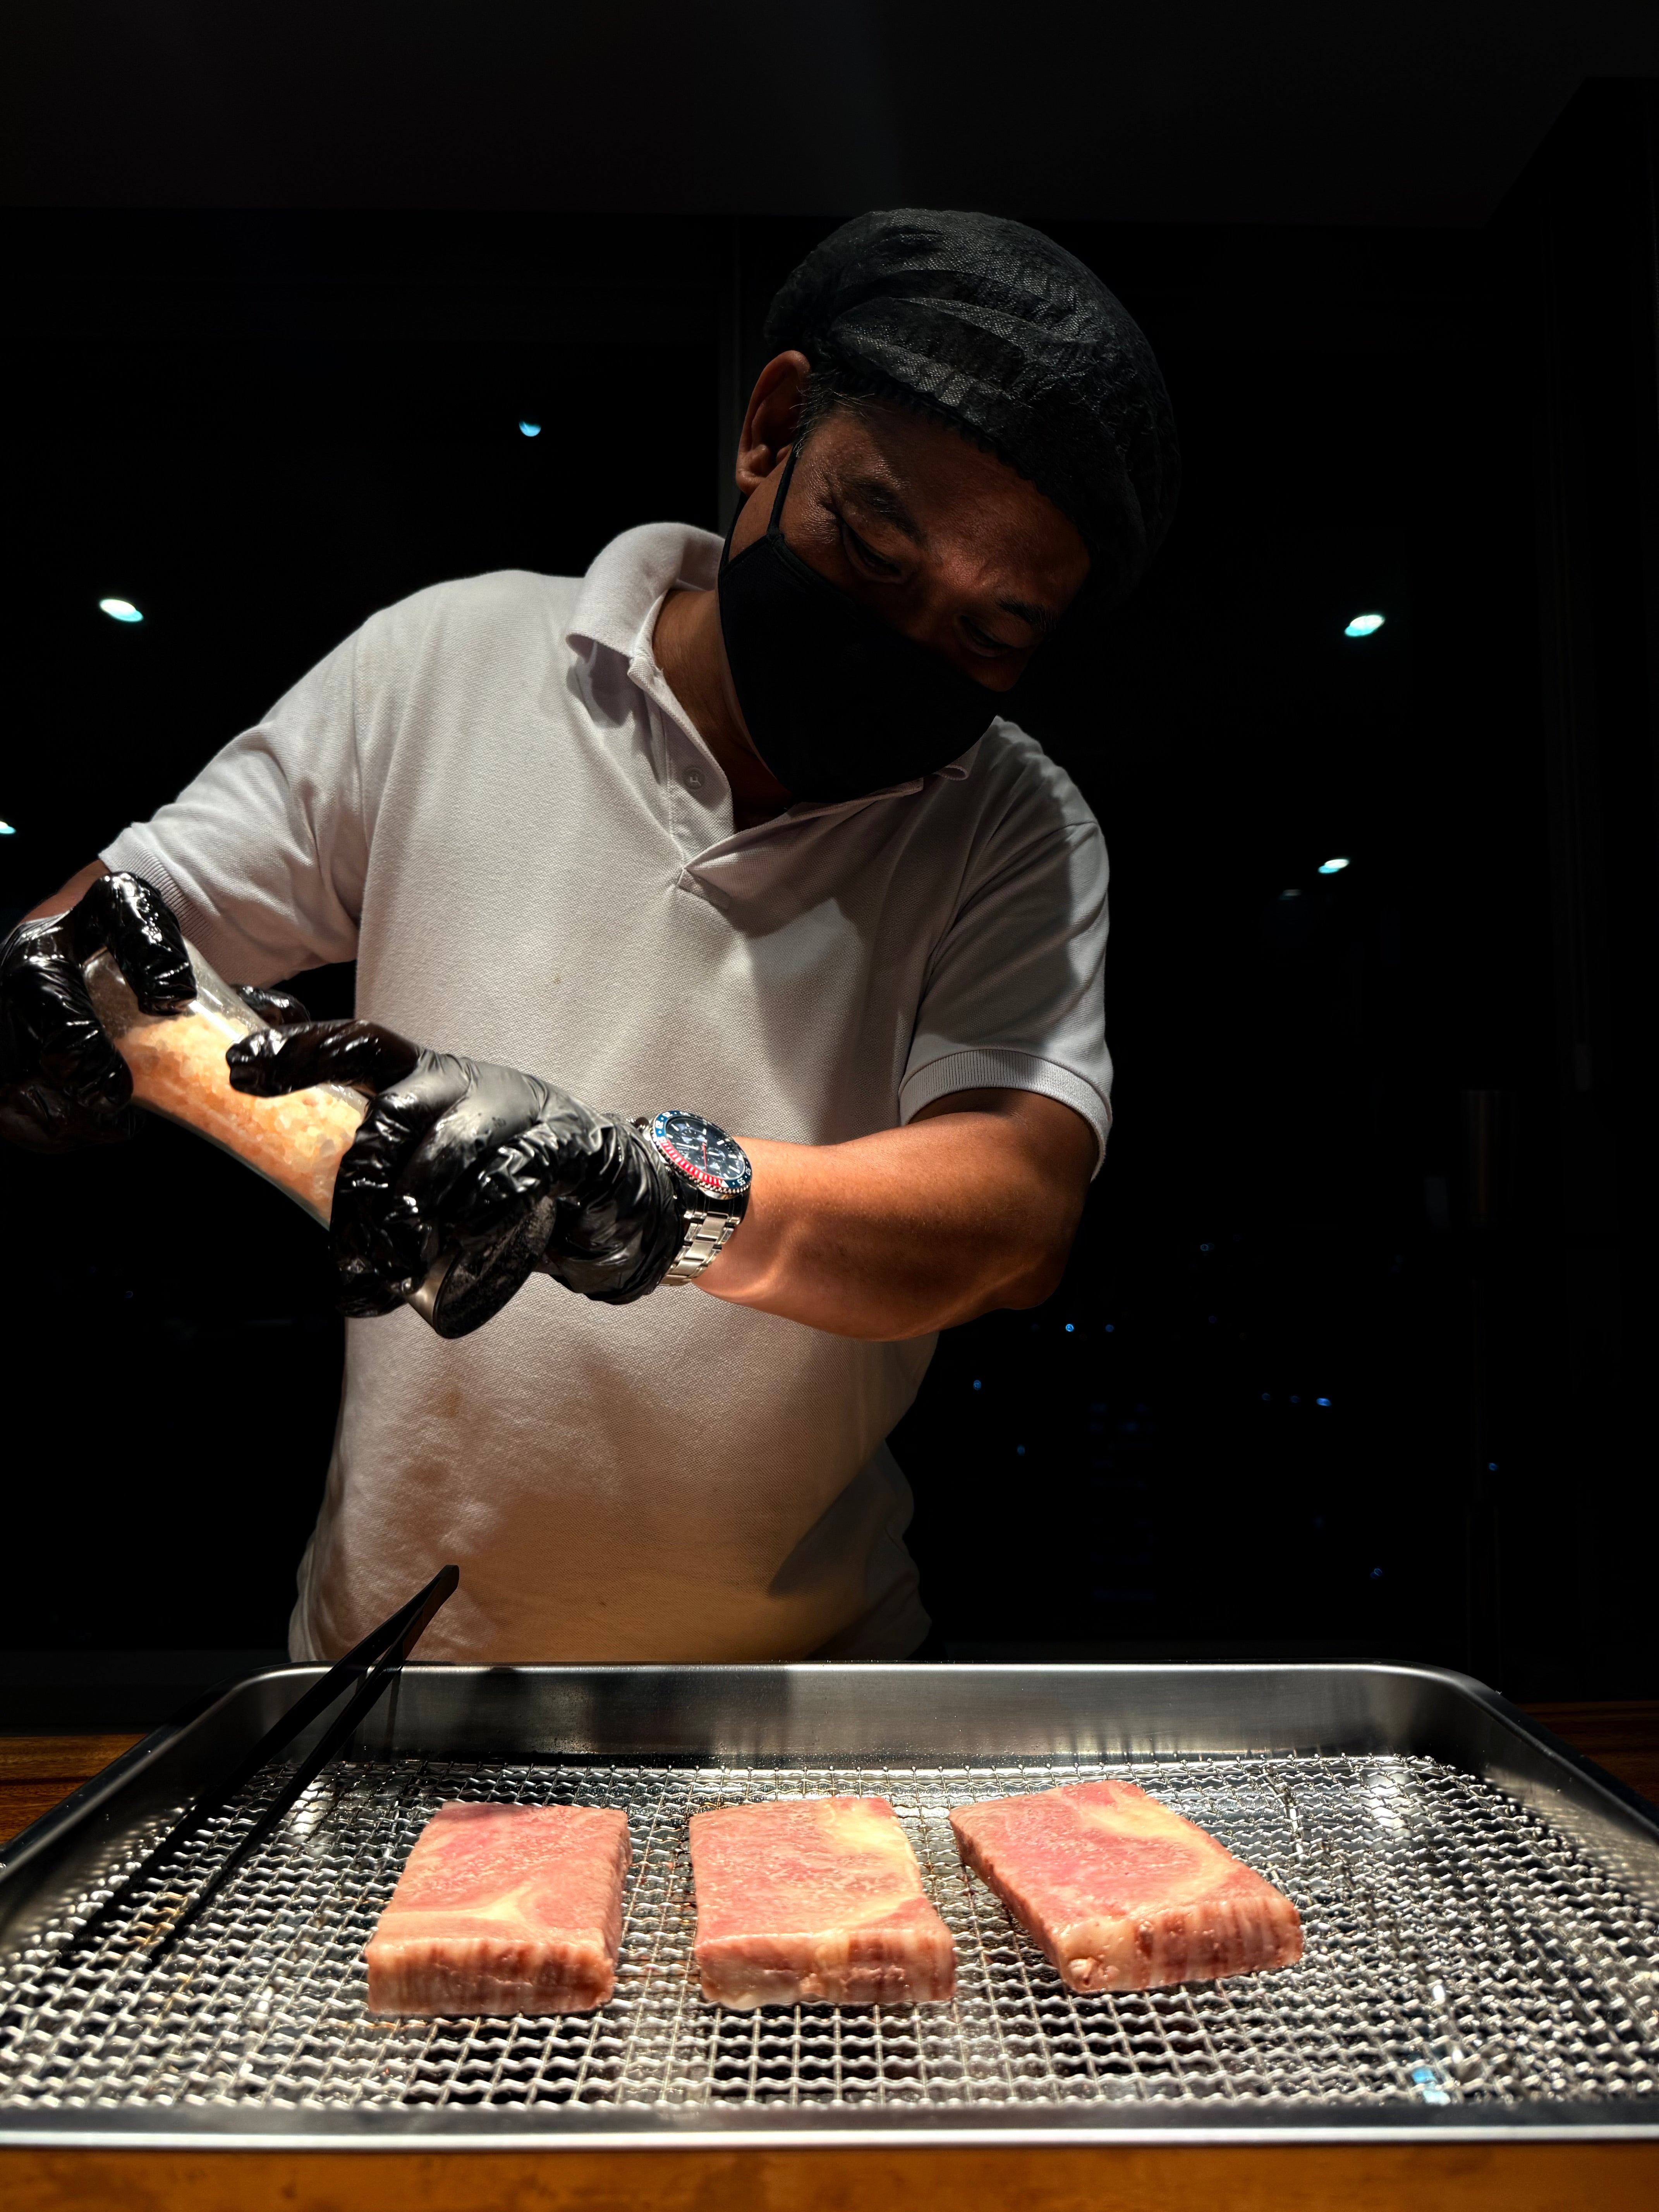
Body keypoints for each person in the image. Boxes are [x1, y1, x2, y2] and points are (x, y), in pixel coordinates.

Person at [0, 210, 1178, 1663]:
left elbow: (1011, 1213)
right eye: (873, 551)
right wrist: (58, 1011)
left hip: (810, 1677)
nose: (910, 647)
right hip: (396, 1667)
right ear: (772, 429)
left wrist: (653, 1189)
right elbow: (111, 939)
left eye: (991, 634)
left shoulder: (1007, 822)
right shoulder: (450, 662)